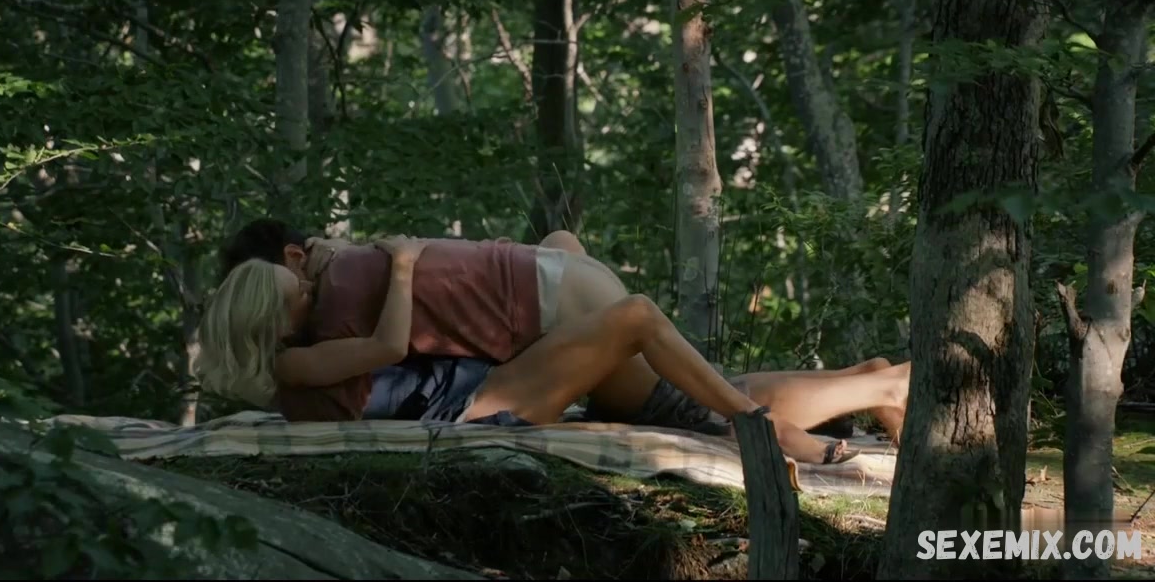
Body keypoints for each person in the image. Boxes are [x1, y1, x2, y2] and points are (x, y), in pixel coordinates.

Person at [195, 219, 911, 465]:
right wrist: (404, 264)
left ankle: (870, 384)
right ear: (271, 319)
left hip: (484, 383)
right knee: (639, 326)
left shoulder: (306, 349)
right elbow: (386, 346)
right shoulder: (299, 362)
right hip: (475, 407)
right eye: (299, 293)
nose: (312, 290)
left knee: (667, 390)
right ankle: (768, 423)